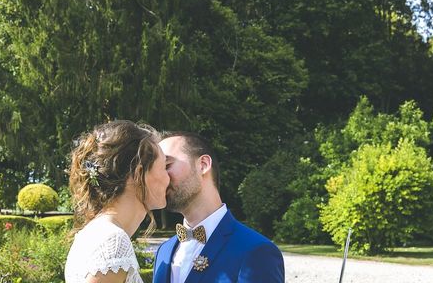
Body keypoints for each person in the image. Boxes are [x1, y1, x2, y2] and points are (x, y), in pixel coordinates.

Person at [153, 132, 285, 283]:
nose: (160, 177)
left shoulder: (256, 251)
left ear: (203, 165)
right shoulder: (163, 252)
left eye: (166, 166)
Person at [65, 120, 170, 283]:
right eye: (164, 167)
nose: (169, 177)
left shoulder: (98, 231)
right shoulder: (113, 241)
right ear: (139, 173)